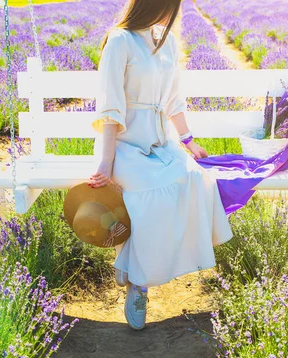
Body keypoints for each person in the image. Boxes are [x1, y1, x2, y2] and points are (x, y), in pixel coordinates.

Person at [90, 0, 233, 331]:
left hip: (158, 144)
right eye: (169, 5)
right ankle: (140, 286)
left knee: (194, 180)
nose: (173, 13)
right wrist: (107, 162)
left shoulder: (166, 41)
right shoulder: (120, 40)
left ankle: (129, 267)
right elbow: (110, 105)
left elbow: (173, 101)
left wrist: (187, 140)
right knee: (151, 195)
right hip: (123, 147)